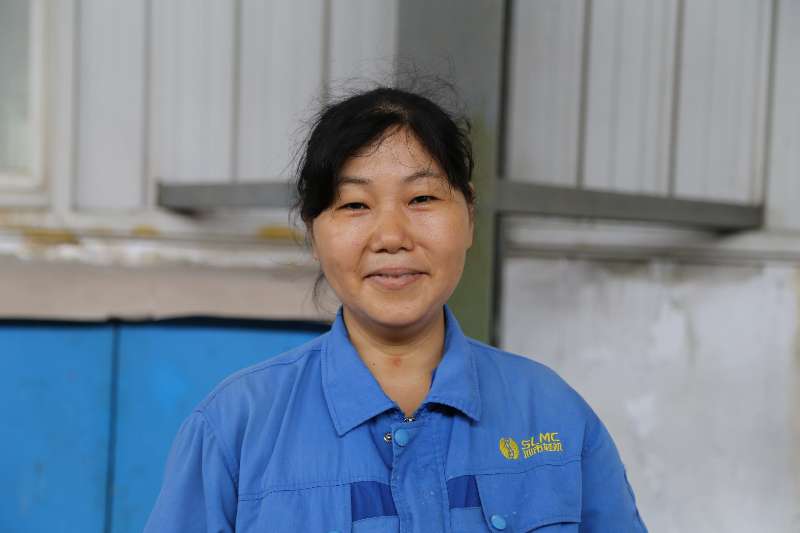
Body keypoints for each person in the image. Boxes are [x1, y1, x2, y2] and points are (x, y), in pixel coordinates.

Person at [144, 86, 648, 532]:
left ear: (470, 216)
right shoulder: (235, 429)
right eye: (354, 205)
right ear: (314, 231)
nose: (391, 237)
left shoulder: (552, 415)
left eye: (422, 198)